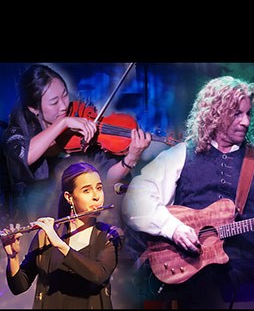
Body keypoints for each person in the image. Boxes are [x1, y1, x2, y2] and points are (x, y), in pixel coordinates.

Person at [121, 75, 254, 309]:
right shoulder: (179, 155)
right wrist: (173, 228)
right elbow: (136, 200)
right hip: (189, 278)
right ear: (214, 114)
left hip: (244, 281)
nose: (246, 121)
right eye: (237, 113)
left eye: (248, 114)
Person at [1, 63, 151, 224]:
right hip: (37, 219)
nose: (64, 106)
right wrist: (63, 123)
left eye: (65, 95)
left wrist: (131, 159)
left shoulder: (81, 125)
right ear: (33, 108)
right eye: (54, 102)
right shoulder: (17, 131)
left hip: (80, 219)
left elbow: (106, 178)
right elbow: (23, 156)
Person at [0, 161, 123, 309]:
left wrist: (59, 244)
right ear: (69, 197)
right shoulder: (44, 236)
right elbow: (19, 287)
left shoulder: (111, 235)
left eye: (99, 188)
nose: (97, 196)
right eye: (87, 190)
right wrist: (13, 257)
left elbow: (98, 275)